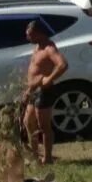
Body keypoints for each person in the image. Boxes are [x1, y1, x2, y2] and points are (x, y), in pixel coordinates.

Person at [22, 19, 68, 167]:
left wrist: (49, 79)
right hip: (33, 90)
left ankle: (47, 158)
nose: (27, 37)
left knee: (43, 126)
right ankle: (35, 157)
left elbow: (62, 64)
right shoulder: (37, 46)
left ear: (39, 34)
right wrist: (28, 90)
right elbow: (35, 70)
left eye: (30, 35)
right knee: (28, 122)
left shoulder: (49, 48)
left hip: (44, 91)